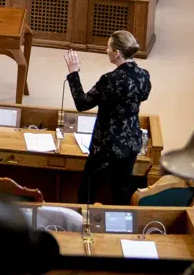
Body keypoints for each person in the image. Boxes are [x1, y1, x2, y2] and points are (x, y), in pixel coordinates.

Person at [63, 31, 150, 204]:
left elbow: (83, 103)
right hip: (131, 142)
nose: (106, 50)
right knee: (121, 192)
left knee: (87, 192)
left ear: (116, 53)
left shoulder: (110, 80)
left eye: (108, 47)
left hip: (106, 146)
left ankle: (81, 225)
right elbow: (144, 96)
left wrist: (73, 73)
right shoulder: (144, 75)